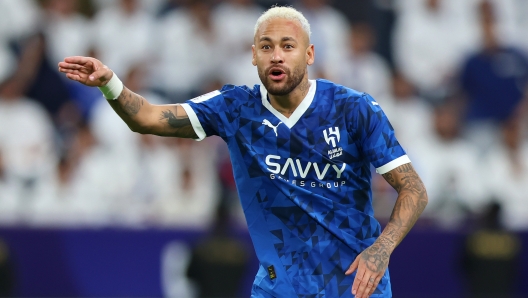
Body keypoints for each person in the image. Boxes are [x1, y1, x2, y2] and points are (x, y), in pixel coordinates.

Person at [58, 6, 428, 298]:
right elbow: (149, 118)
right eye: (266, 47)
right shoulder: (235, 108)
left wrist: (381, 250)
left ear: (309, 53)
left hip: (355, 287)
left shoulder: (354, 109)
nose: (277, 56)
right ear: (253, 56)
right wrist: (110, 84)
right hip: (278, 290)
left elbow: (414, 189)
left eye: (288, 46)